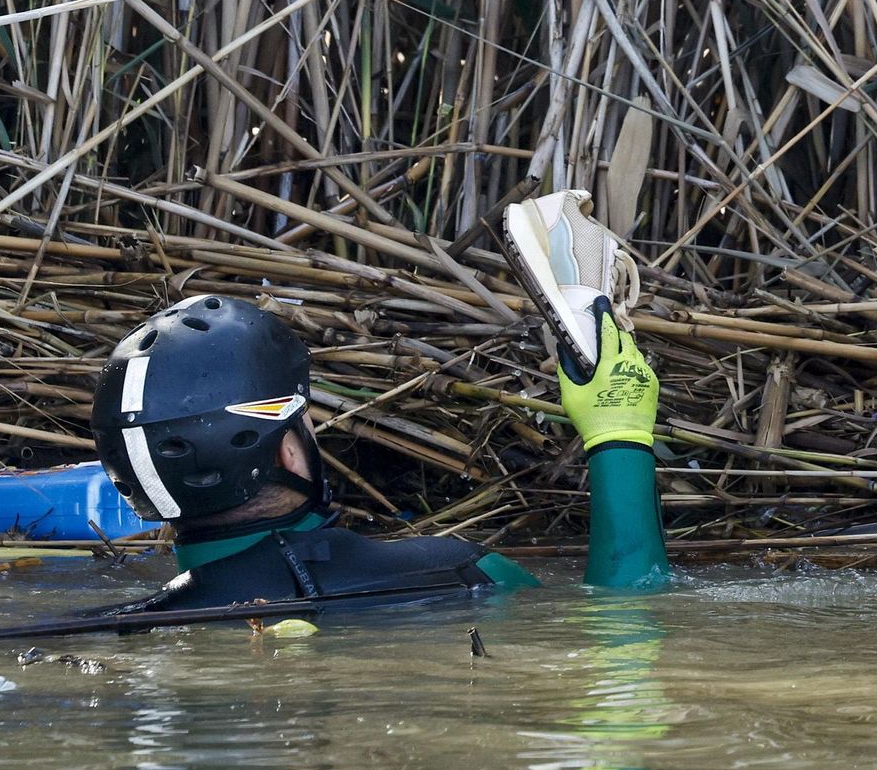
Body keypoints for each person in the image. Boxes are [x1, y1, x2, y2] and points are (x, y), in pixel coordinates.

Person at [89, 216, 667, 615]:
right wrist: (619, 435)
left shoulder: (132, 622)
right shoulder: (461, 576)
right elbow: (622, 625)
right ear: (288, 451)